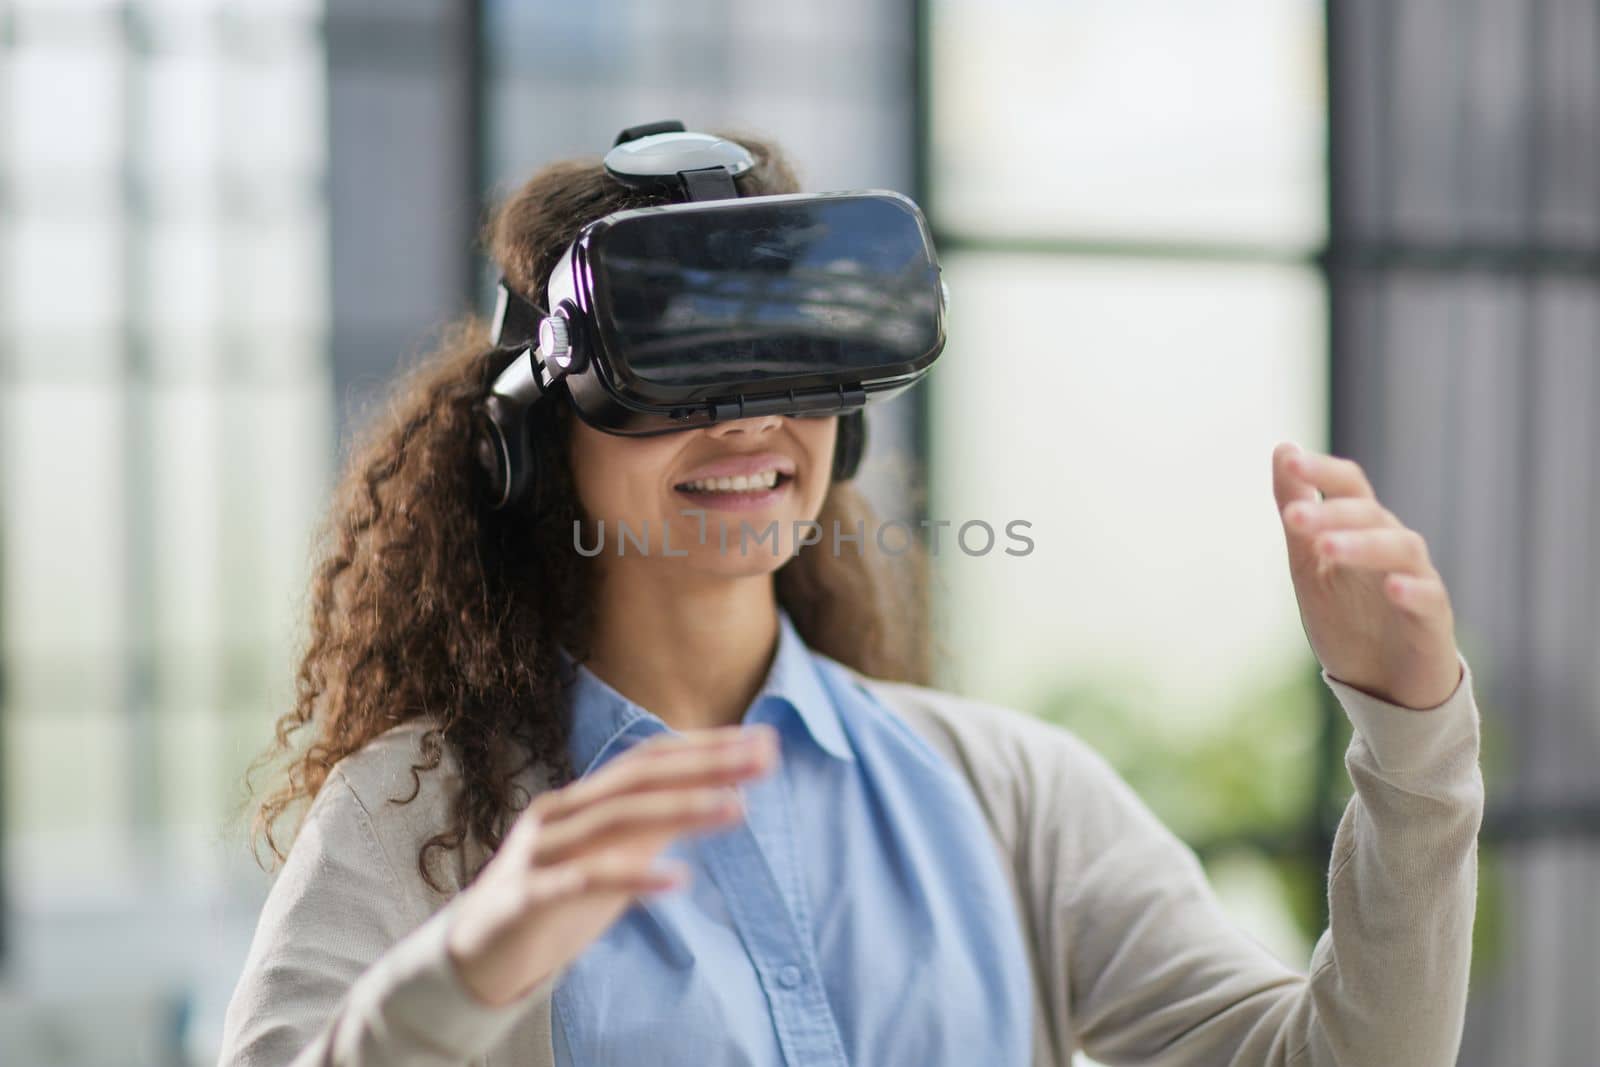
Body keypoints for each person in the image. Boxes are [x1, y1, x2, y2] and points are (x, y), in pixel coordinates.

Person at [218, 129, 1484, 1067]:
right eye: (679, 371)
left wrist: (1411, 728)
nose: (752, 417)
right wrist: (463, 971)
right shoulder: (416, 814)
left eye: (791, 359)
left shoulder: (1005, 790)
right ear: (534, 439)